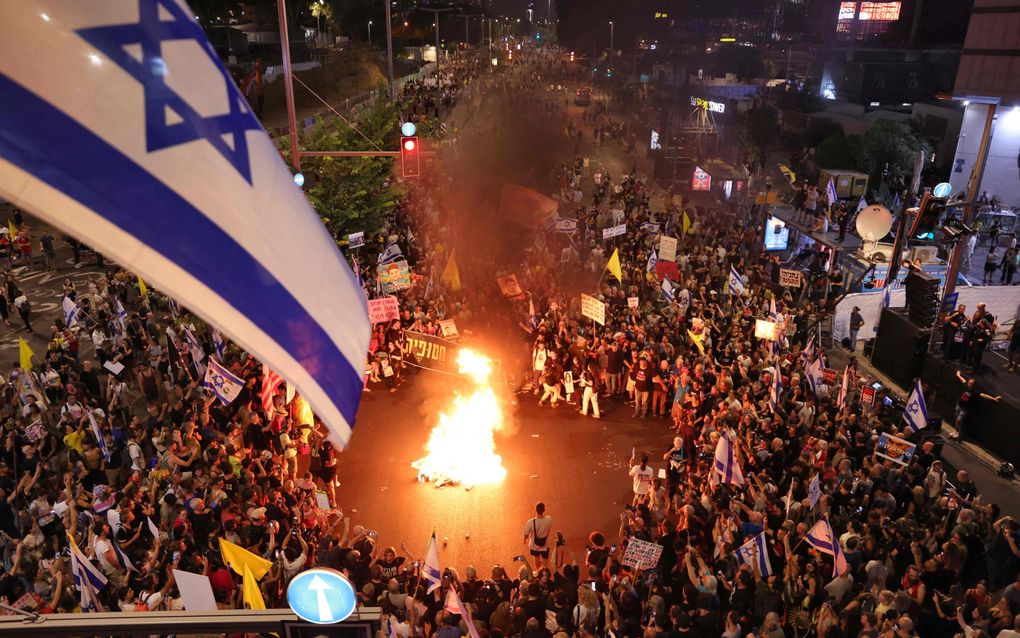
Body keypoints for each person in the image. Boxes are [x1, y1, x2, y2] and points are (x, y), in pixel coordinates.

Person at [950, 370, 1002, 440]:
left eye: (971, 384)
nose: (969, 385)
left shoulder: (975, 392)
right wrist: (958, 374)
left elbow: (984, 395)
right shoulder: (965, 386)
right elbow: (963, 380)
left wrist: (994, 398)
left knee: (959, 420)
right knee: (957, 419)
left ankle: (959, 433)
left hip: (965, 409)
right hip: (959, 405)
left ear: (974, 385)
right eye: (969, 383)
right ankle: (956, 431)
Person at [523, 502, 553, 568]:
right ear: (544, 510)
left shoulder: (531, 522)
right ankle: (544, 570)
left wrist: (525, 539)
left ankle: (538, 571)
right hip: (545, 544)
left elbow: (526, 533)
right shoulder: (549, 519)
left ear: (536, 510)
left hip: (534, 545)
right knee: (545, 559)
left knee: (537, 558)